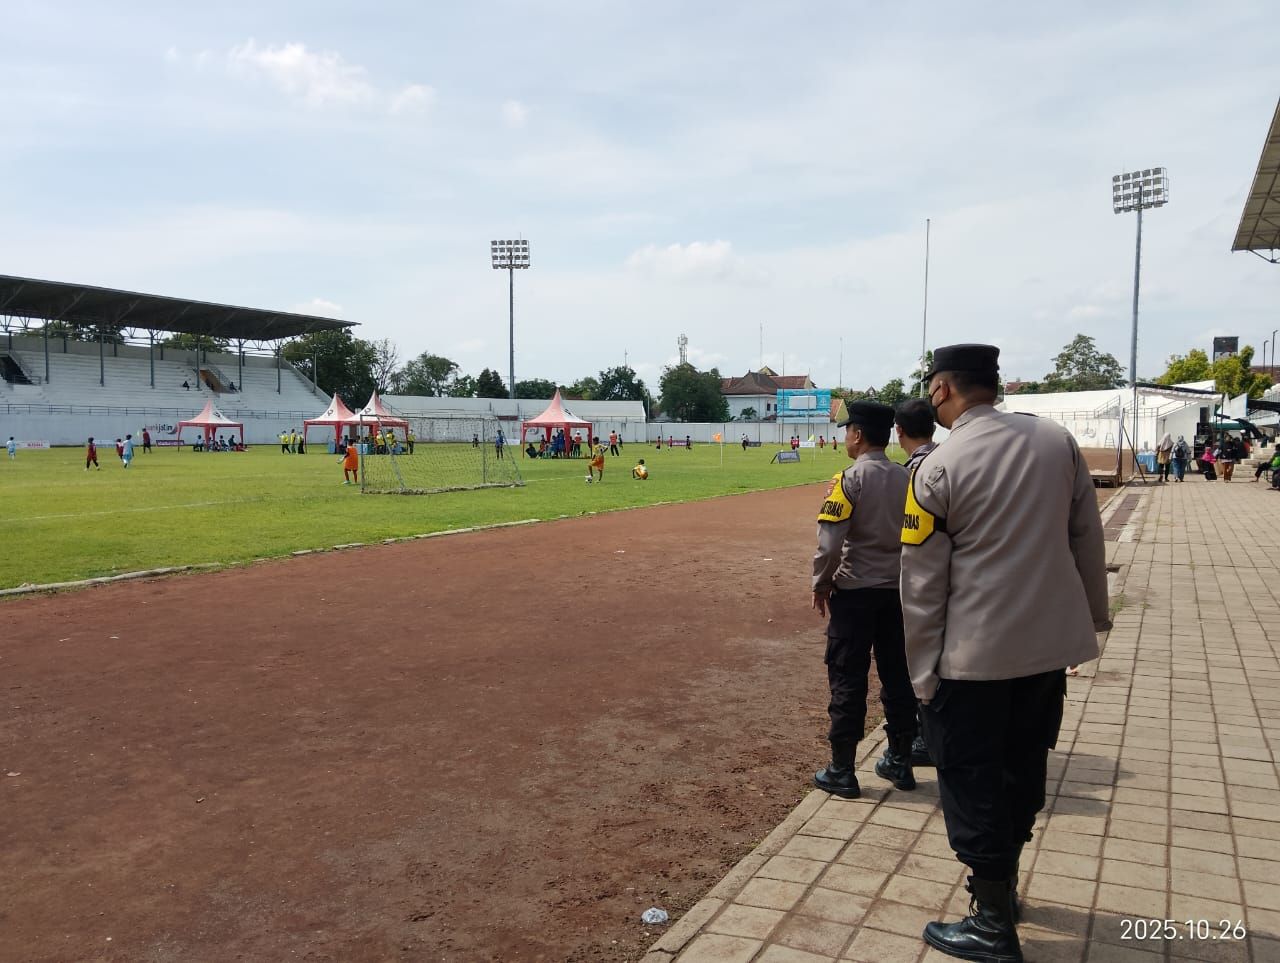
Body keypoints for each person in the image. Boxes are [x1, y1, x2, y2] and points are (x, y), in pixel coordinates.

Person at [901, 344, 1109, 961]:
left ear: (941, 390)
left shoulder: (937, 467)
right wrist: (1090, 623)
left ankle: (991, 923)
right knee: (1022, 771)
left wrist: (921, 674)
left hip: (972, 660)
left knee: (972, 783)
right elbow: (1086, 537)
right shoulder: (1056, 442)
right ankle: (1003, 892)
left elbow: (921, 586)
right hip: (1044, 654)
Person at [811, 401, 915, 800]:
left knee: (848, 678)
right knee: (898, 676)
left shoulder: (849, 479)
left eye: (846, 431)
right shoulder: (907, 477)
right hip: (898, 594)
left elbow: (829, 545)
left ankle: (842, 769)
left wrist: (821, 583)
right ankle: (900, 760)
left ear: (857, 434)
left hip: (855, 594)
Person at [893, 398, 939, 769]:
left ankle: (924, 737)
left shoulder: (911, 471)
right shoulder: (947, 459)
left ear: (899, 431)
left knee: (916, 660)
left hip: (920, 577)